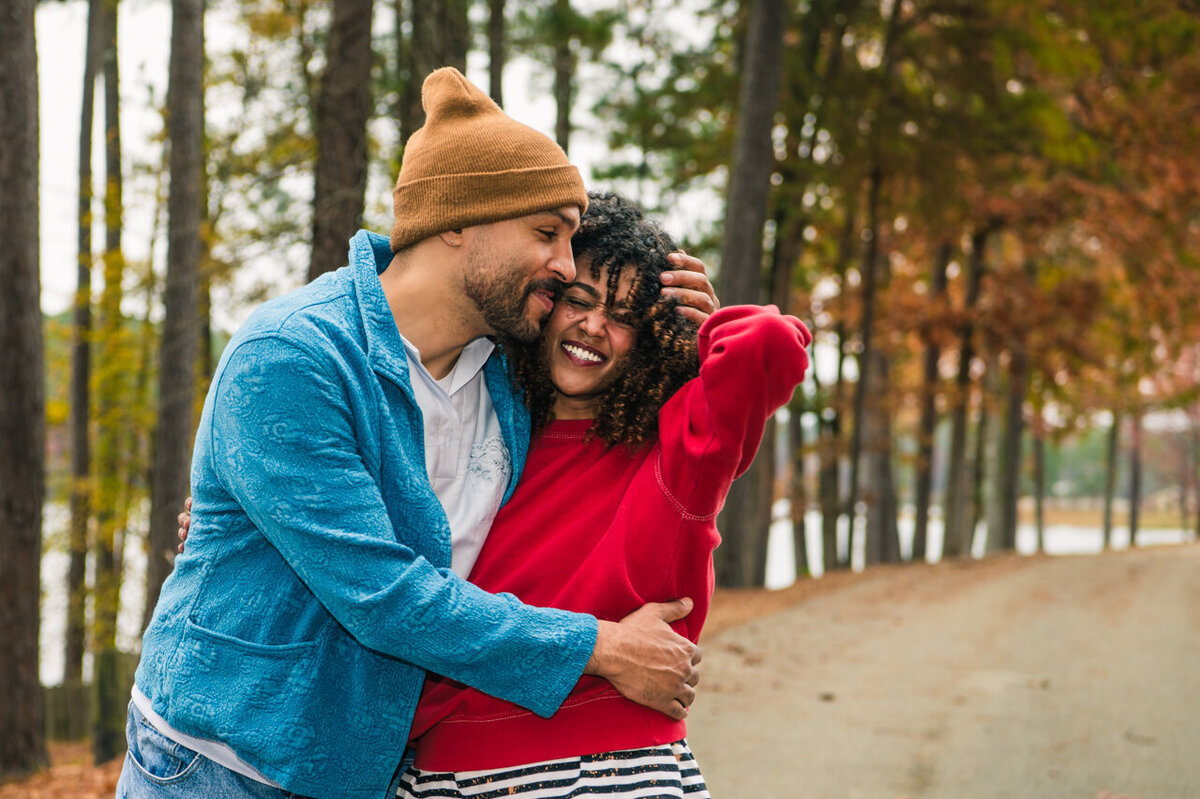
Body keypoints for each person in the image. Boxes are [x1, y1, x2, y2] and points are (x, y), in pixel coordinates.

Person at [119, 68, 717, 799]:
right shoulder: (294, 355)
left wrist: (691, 341)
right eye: (547, 233)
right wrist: (601, 645)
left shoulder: (511, 375)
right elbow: (386, 598)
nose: (565, 266)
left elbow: (630, 425)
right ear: (460, 221)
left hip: (376, 773)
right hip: (224, 764)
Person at [393, 191, 813, 798]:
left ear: (650, 338)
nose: (593, 326)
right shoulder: (487, 431)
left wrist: (709, 319)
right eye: (579, 301)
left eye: (623, 316)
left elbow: (771, 345)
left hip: (604, 771)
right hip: (435, 772)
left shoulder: (678, 451)